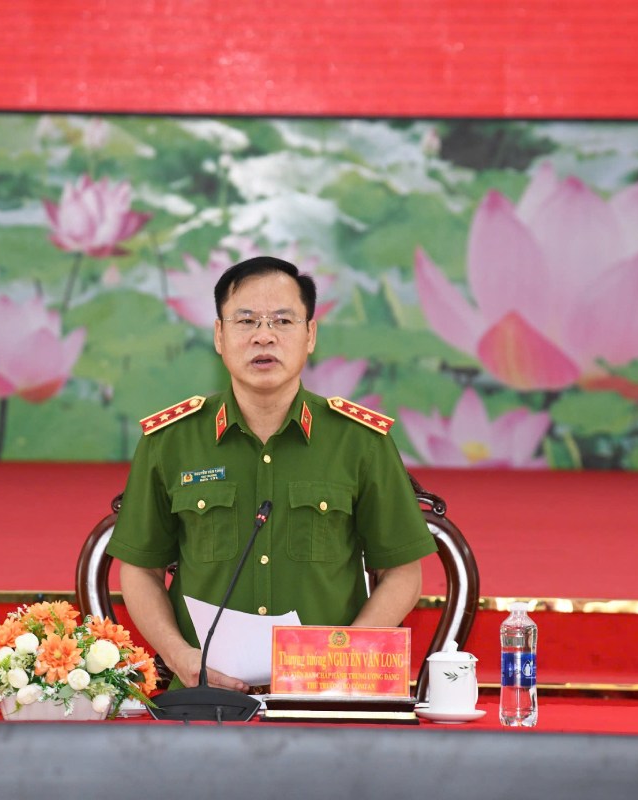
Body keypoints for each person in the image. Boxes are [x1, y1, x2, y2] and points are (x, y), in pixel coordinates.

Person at [106, 256, 436, 692]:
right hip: (205, 698)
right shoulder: (171, 442)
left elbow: (403, 573)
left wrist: (342, 657)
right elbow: (140, 571)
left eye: (283, 320)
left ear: (310, 335)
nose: (264, 336)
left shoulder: (360, 441)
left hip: (326, 698)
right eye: (246, 321)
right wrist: (179, 656)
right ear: (219, 336)